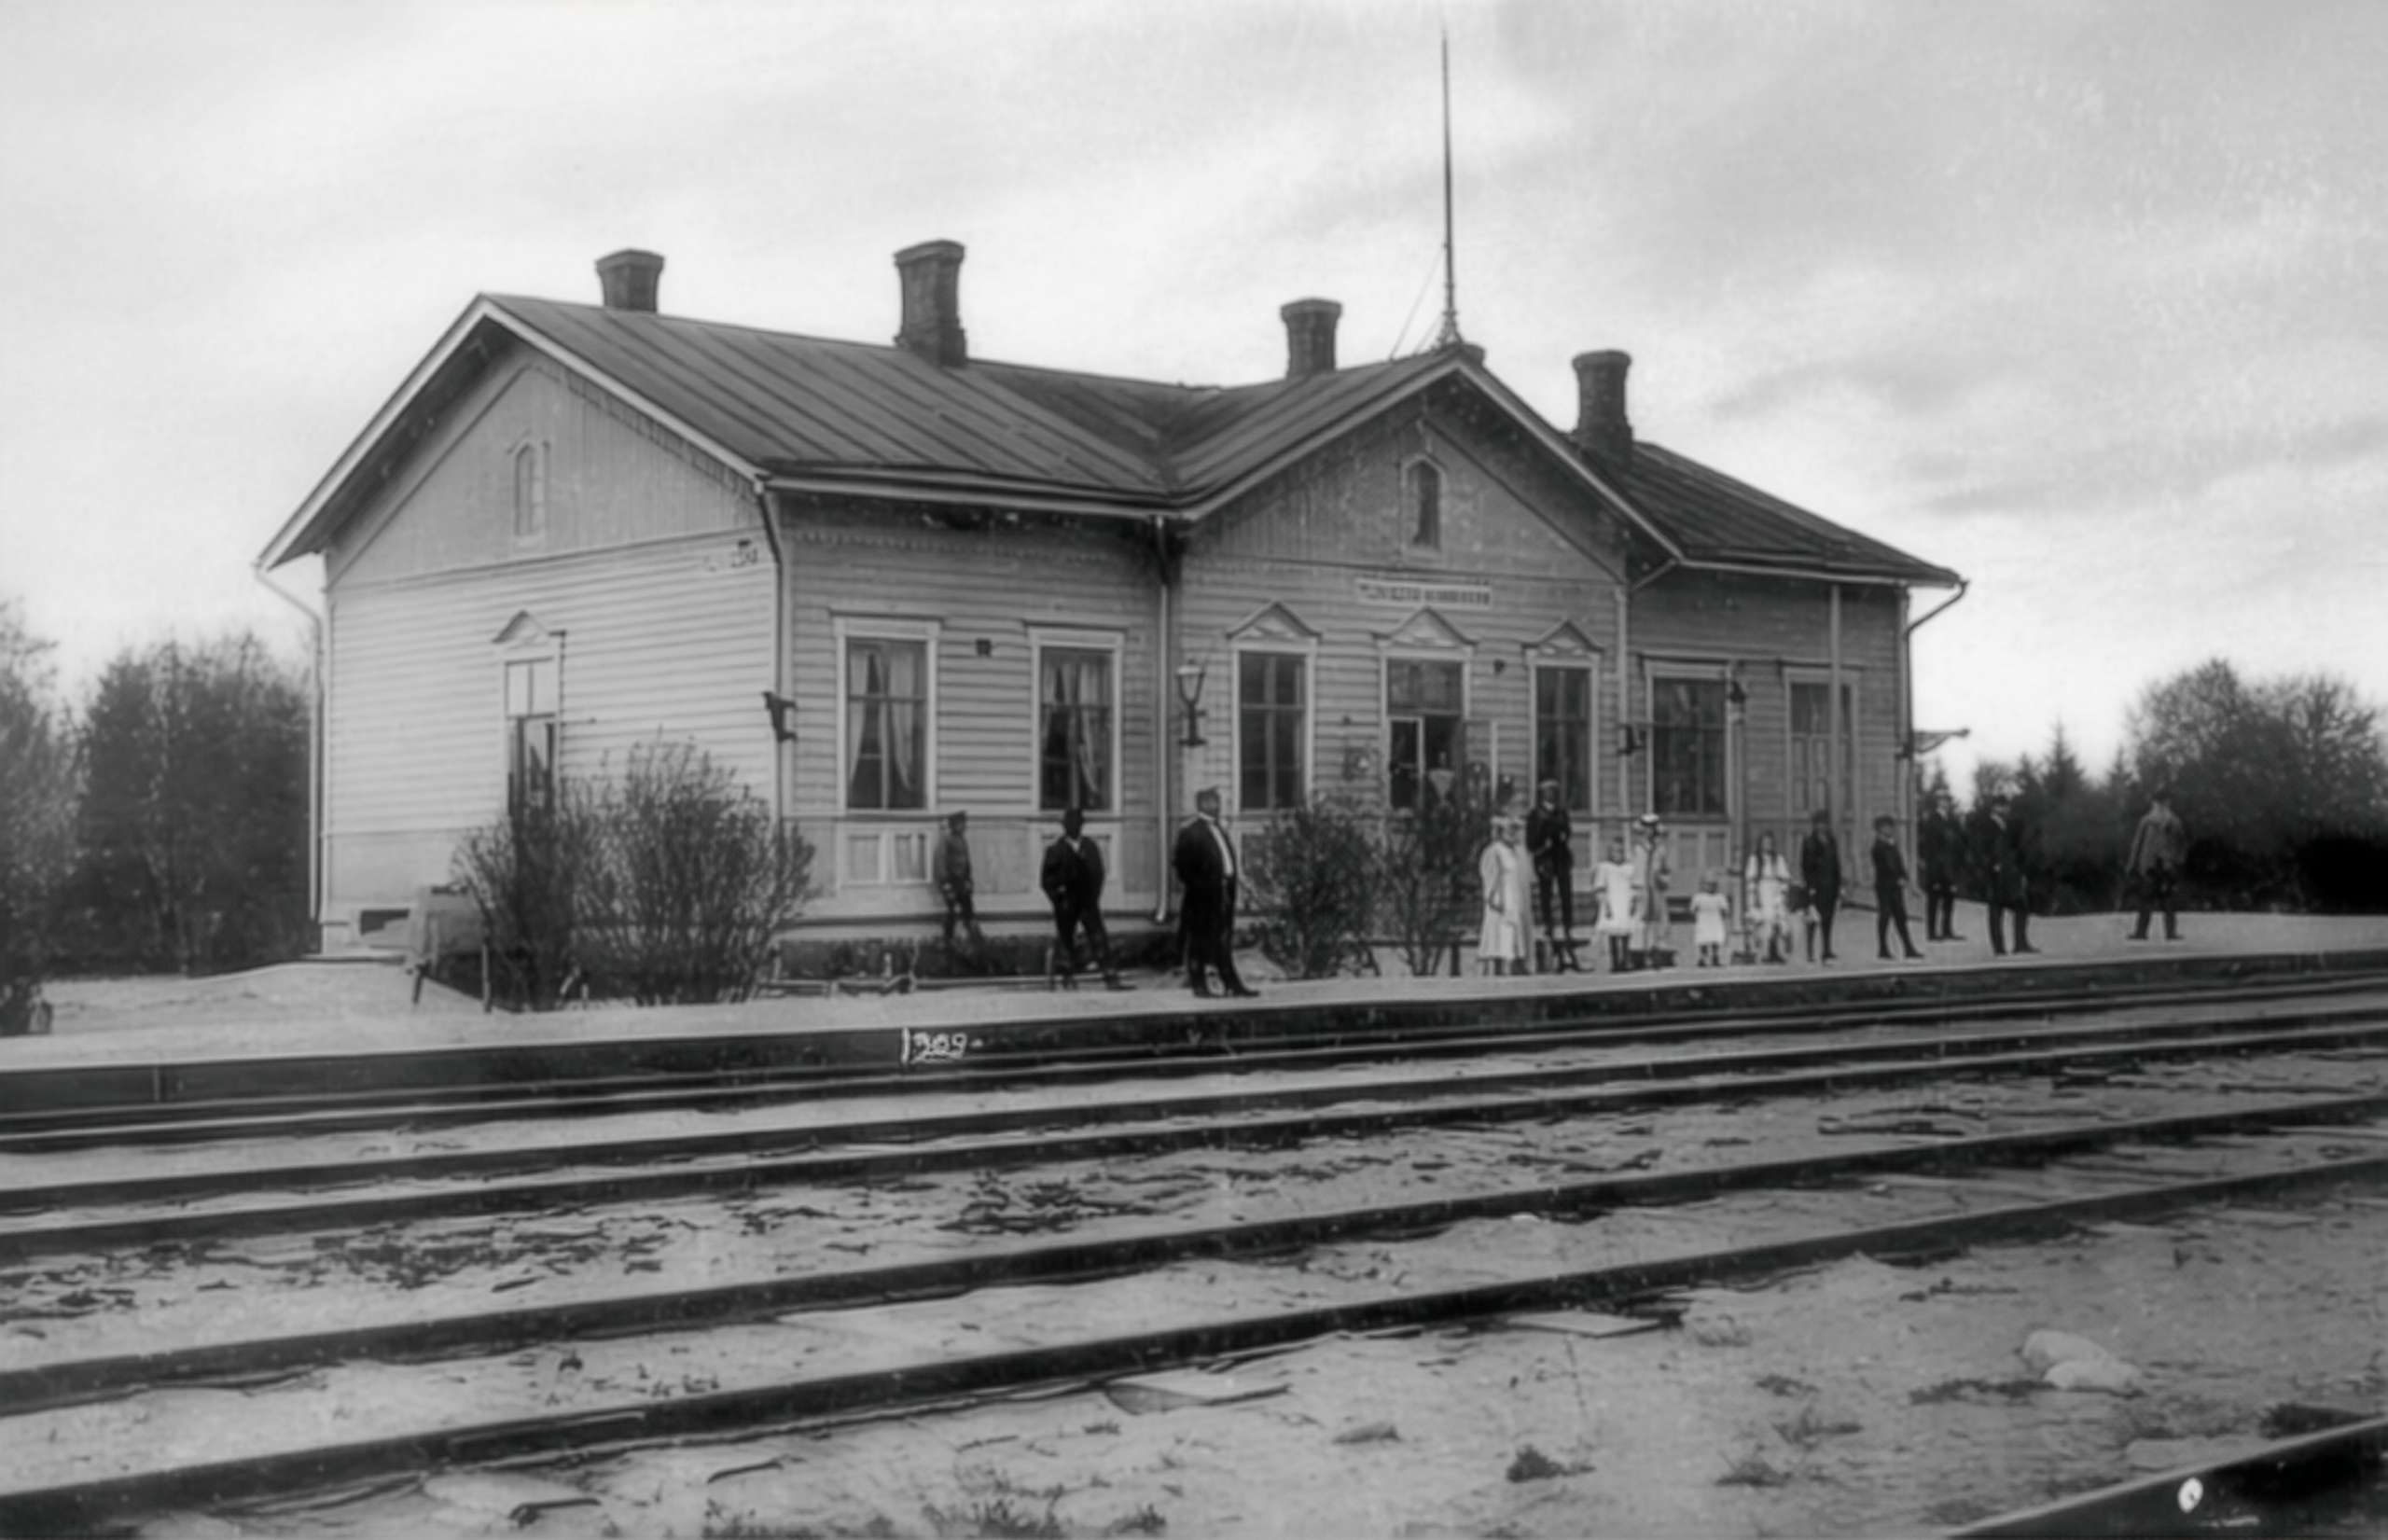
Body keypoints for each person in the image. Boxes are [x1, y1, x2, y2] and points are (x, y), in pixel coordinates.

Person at [1172, 787, 1256, 998]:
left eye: (1217, 801)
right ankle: (1199, 985)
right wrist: (1202, 885)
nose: (1216, 806)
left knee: (1223, 939)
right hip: (1202, 897)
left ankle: (1231, 983)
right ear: (1201, 805)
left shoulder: (1220, 830)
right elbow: (1183, 867)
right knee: (1200, 940)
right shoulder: (1191, 832)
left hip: (1223, 893)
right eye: (1211, 802)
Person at [1042, 808, 1128, 991]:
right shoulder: (1056, 850)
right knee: (1066, 938)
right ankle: (1067, 977)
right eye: (1070, 824)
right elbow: (1046, 880)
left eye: (1077, 824)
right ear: (1064, 826)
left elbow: (1098, 874)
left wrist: (1093, 896)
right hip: (1066, 902)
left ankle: (1109, 976)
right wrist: (1058, 897)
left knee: (1098, 936)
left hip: (1087, 900)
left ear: (1082, 826)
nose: (1074, 827)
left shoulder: (1090, 847)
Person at [1525, 781, 1579, 972]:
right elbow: (1531, 840)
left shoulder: (1561, 812)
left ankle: (1567, 926)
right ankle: (1548, 924)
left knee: (1566, 893)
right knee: (1545, 893)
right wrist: (1542, 843)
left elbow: (1567, 831)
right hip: (1545, 858)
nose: (1550, 795)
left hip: (1560, 857)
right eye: (1547, 792)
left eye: (1553, 792)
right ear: (1541, 794)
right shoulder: (1535, 814)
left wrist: (1562, 834)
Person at [1974, 793, 2038, 956]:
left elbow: (2017, 848)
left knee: (2021, 905)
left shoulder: (2009, 825)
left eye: (2006, 806)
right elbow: (1980, 849)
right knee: (1996, 908)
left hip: (2010, 871)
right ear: (1994, 807)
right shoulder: (1985, 825)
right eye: (2002, 806)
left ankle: (2020, 942)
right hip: (1995, 872)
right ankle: (1999, 947)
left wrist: (2018, 868)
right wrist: (1990, 867)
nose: (2005, 809)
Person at [2126, 785, 2187, 941]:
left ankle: (2142, 932)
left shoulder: (2147, 821)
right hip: (2165, 864)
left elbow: (2137, 845)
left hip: (2151, 864)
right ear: (2168, 803)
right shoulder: (2173, 822)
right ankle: (2169, 932)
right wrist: (2178, 861)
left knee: (2148, 899)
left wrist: (2133, 865)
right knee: (2166, 900)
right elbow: (2181, 845)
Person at [1477, 817, 1527, 976]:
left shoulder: (1514, 852)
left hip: (1512, 898)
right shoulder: (1494, 851)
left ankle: (1512, 964)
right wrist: (1492, 897)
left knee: (1511, 934)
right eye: (1509, 831)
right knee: (1498, 935)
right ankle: (1497, 968)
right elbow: (1490, 875)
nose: (1513, 835)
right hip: (1499, 899)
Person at [1871, 814, 1925, 961]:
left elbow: (1899, 864)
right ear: (1879, 830)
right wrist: (1898, 878)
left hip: (1895, 886)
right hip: (1885, 886)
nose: (1890, 830)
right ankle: (1883, 948)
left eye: (1890, 827)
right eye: (1886, 827)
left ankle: (1908, 948)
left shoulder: (1891, 844)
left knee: (1900, 916)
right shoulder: (1879, 847)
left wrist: (1905, 877)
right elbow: (1888, 867)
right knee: (1885, 916)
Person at [931, 811, 985, 950]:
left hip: (961, 881)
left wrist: (968, 880)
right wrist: (946, 884)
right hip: (951, 881)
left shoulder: (962, 840)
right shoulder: (946, 841)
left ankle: (975, 939)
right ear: (953, 826)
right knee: (952, 911)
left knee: (968, 910)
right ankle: (948, 939)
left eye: (963, 824)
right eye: (960, 824)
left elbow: (966, 862)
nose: (963, 827)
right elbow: (940, 863)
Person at [1918, 791, 1964, 941]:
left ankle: (1947, 930)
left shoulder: (1952, 820)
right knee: (1933, 900)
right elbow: (1929, 845)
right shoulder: (1932, 820)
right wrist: (1931, 866)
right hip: (1936, 866)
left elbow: (1957, 842)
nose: (1945, 803)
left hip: (1949, 865)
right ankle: (1931, 932)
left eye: (1947, 801)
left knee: (1949, 899)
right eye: (1942, 800)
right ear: (1937, 802)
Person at [1798, 809, 1843, 964]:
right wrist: (1810, 885)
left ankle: (1826, 949)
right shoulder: (1810, 843)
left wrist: (1839, 885)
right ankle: (1810, 951)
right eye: (1819, 824)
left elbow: (1836, 865)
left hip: (1830, 886)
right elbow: (1806, 866)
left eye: (1824, 823)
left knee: (1828, 918)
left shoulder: (1831, 841)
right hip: (1816, 886)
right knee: (1813, 919)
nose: (1822, 827)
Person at [1631, 813, 1673, 968]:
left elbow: (1665, 869)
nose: (1649, 832)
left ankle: (1655, 951)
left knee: (1657, 919)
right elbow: (1632, 869)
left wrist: (1662, 879)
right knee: (1640, 920)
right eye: (1646, 829)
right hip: (1640, 888)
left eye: (1652, 829)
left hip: (1655, 888)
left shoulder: (1660, 849)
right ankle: (1638, 953)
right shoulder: (1636, 848)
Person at [1742, 831, 1792, 964]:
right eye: (1765, 843)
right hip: (1762, 890)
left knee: (1778, 920)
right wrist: (1754, 895)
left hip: (1775, 889)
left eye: (1770, 843)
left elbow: (1784, 877)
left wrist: (1783, 891)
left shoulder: (1778, 859)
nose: (1767, 845)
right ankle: (1765, 952)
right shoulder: (1755, 859)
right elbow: (1751, 880)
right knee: (1765, 920)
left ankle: (1775, 950)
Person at [1591, 835, 1638, 974]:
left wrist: (1633, 902)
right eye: (1615, 851)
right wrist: (1604, 904)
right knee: (1613, 934)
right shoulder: (1605, 867)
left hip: (1625, 902)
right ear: (1610, 852)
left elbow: (1634, 886)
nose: (1618, 854)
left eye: (1621, 851)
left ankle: (1624, 960)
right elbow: (1600, 887)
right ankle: (1615, 961)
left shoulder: (1629, 868)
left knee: (1625, 933)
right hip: (1612, 902)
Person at [1689, 874, 1731, 968]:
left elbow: (1725, 910)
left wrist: (1724, 914)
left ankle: (1715, 957)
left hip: (1715, 920)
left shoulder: (1720, 897)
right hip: (1703, 920)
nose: (1711, 887)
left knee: (1716, 939)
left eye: (1713, 885)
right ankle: (1702, 958)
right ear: (1704, 885)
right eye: (1708, 884)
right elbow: (1693, 910)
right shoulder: (1698, 897)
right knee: (1703, 940)